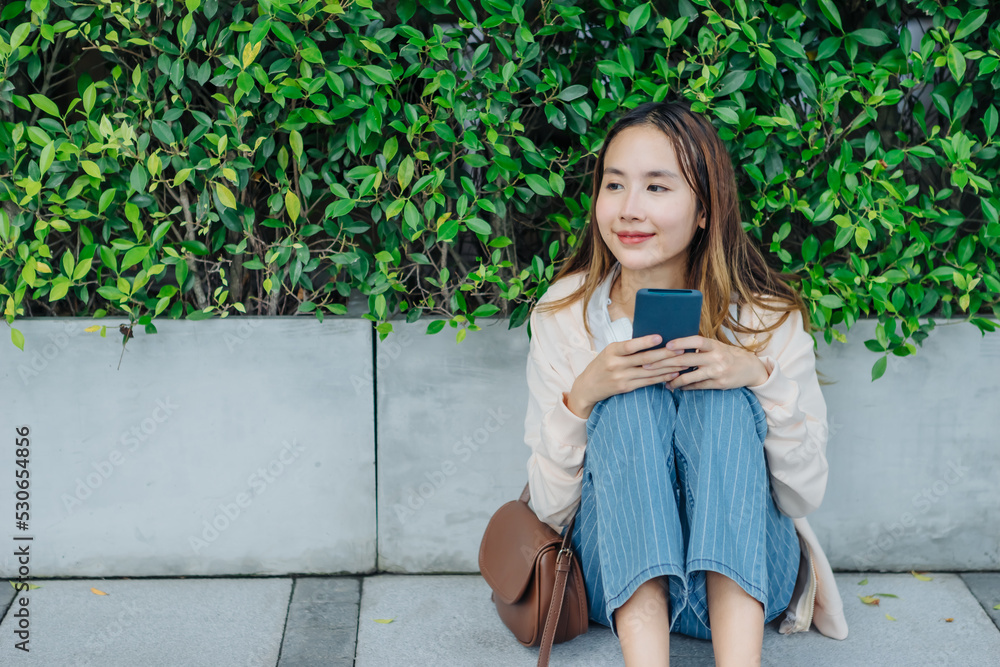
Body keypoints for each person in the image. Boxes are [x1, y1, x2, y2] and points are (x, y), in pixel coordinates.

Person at [522, 101, 848, 667]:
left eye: (657, 188)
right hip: (618, 582)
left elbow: (802, 494)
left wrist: (758, 379)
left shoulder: (765, 318)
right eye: (615, 184)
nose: (629, 210)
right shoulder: (564, 313)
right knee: (629, 402)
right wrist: (584, 397)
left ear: (704, 209)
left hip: (750, 576)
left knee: (721, 402)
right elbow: (551, 511)